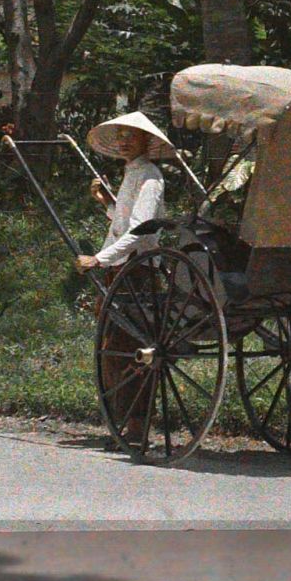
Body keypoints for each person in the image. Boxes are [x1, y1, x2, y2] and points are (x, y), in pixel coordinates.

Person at [77, 110, 175, 449]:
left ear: (146, 140)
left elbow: (141, 230)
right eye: (120, 135)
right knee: (113, 351)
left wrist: (98, 258)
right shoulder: (133, 174)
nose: (123, 141)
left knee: (134, 352)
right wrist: (108, 203)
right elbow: (125, 221)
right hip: (122, 269)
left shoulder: (150, 177)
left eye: (130, 136)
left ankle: (136, 431)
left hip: (137, 273)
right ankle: (123, 428)